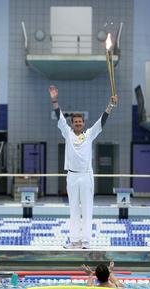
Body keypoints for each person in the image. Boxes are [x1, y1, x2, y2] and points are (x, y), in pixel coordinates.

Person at [49, 85, 117, 249]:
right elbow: (59, 117)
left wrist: (111, 105)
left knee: (87, 208)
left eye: (80, 122)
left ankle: (85, 241)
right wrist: (54, 100)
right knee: (73, 209)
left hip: (86, 175)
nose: (78, 124)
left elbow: (102, 120)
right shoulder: (67, 133)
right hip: (72, 176)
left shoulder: (89, 134)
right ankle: (74, 241)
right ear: (72, 124)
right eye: (75, 122)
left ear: (83, 123)